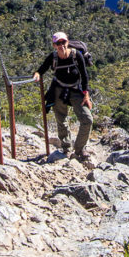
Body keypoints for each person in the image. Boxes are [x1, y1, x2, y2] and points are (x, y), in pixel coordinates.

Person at [33, 31, 93, 162]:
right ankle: (66, 148)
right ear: (54, 45)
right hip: (59, 89)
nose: (61, 45)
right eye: (58, 43)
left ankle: (79, 149)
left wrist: (86, 95)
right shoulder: (53, 57)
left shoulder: (76, 55)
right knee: (61, 120)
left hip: (76, 90)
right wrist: (37, 74)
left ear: (68, 42)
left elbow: (84, 76)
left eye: (63, 42)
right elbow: (43, 68)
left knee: (87, 119)